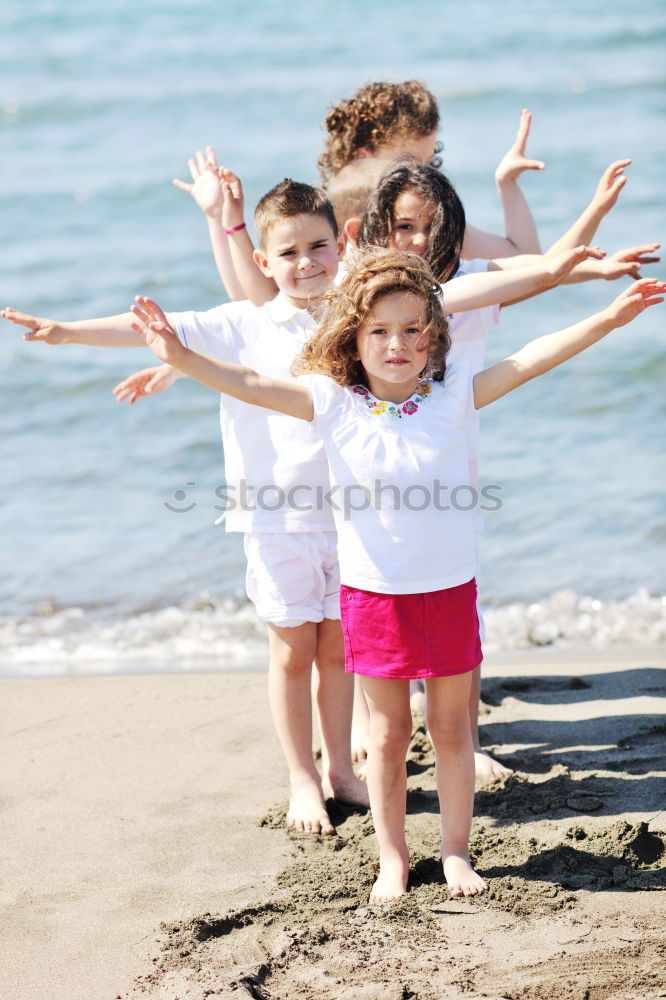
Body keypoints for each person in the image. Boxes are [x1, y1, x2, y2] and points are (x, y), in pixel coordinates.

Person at [124, 248, 664, 903]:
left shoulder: (453, 394)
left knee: (453, 730)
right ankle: (392, 859)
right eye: (379, 331)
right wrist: (181, 358)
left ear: (433, 336)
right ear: (354, 338)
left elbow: (532, 358)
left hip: (449, 593)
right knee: (386, 737)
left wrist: (607, 318)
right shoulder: (332, 402)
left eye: (412, 329)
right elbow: (254, 384)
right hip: (374, 600)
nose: (397, 344)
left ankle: (458, 853)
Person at [1, 179, 369, 836]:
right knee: (291, 649)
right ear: (263, 262)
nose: (306, 262)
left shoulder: (356, 317)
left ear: (340, 244)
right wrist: (67, 332)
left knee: (339, 650)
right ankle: (302, 777)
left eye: (318, 245)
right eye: (288, 253)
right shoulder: (242, 325)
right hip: (274, 518)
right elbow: (152, 328)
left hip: (348, 516)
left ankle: (340, 768)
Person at [352, 157, 659, 776]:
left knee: (459, 597)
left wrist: (594, 257)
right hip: (377, 466)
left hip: (450, 460)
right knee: (371, 594)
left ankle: (465, 739)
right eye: (404, 226)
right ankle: (370, 726)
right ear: (377, 229)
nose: (418, 240)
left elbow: (537, 273)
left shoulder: (462, 283)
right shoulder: (367, 300)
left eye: (432, 227)